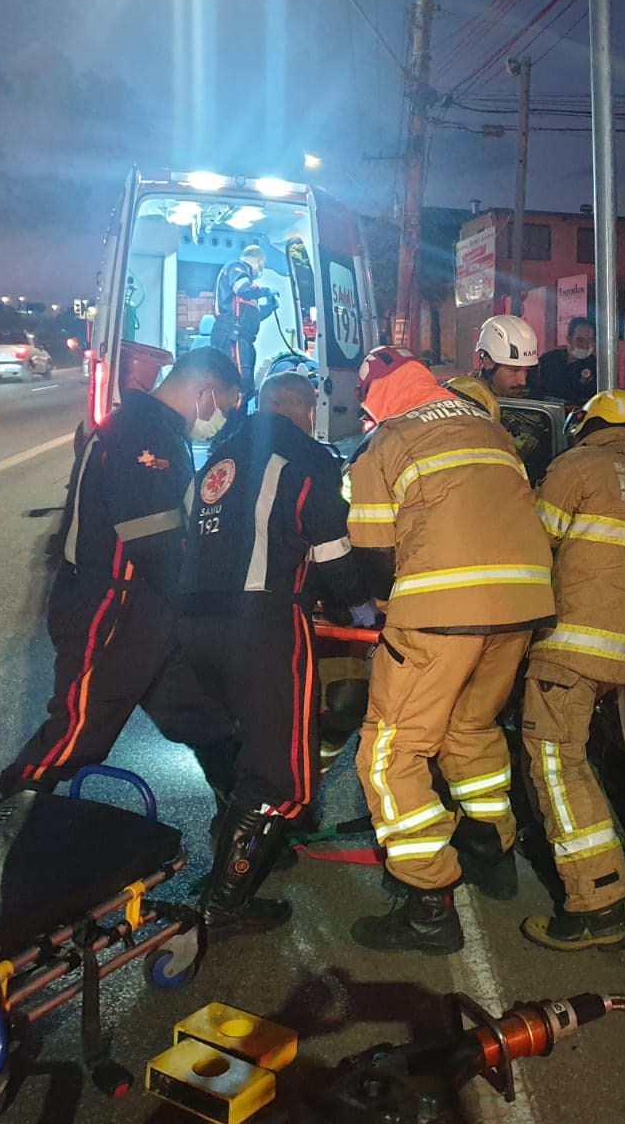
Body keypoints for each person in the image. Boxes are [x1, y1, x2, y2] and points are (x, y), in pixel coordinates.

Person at [345, 346, 556, 955]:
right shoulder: (487, 429)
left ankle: (428, 904)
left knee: (390, 750)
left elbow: (374, 557)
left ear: (376, 397)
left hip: (440, 611)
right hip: (522, 607)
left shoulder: (384, 443)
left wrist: (384, 616)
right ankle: (495, 855)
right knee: (471, 728)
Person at [0, 348, 245, 805]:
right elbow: (155, 544)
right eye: (224, 407)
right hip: (111, 611)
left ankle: (245, 823)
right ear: (203, 389)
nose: (221, 420)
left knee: (206, 719)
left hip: (150, 612)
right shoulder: (142, 436)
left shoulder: (157, 429)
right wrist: (212, 601)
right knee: (76, 735)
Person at [175, 372, 370, 933]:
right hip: (261, 623)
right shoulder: (305, 456)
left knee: (241, 744)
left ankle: (254, 849)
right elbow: (331, 548)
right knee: (282, 771)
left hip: (193, 620)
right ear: (308, 409)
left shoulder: (216, 459)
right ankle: (223, 905)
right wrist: (359, 606)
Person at [522, 390, 625, 952]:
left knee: (557, 769)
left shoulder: (575, 468)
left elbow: (530, 546)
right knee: (573, 764)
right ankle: (601, 889)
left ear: (587, 427)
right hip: (618, 655)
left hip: (565, 648)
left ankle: (596, 904)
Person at [473, 314, 548, 480]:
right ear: (488, 363)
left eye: (527, 371)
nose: (522, 381)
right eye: (514, 370)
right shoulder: (462, 400)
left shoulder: (535, 412)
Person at [212, 243, 279, 379]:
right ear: (259, 261)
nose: (260, 272)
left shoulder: (248, 287)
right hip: (231, 336)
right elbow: (243, 289)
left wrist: (269, 308)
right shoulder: (236, 267)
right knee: (238, 383)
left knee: (245, 384)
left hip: (242, 339)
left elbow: (251, 316)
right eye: (261, 267)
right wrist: (266, 291)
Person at [536, 318, 597, 405]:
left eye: (590, 340)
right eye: (580, 340)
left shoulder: (595, 366)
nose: (585, 346)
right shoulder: (548, 360)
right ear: (569, 339)